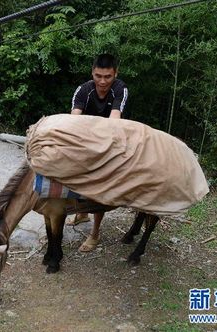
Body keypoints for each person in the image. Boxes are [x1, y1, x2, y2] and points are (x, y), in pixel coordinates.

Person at [67, 53, 129, 252]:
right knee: (73, 175)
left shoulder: (121, 89)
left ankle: (95, 233)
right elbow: (73, 121)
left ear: (115, 74)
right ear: (92, 72)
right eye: (98, 76)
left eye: (108, 77)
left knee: (100, 189)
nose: (102, 81)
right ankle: (81, 214)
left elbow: (114, 122)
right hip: (86, 141)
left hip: (112, 141)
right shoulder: (83, 90)